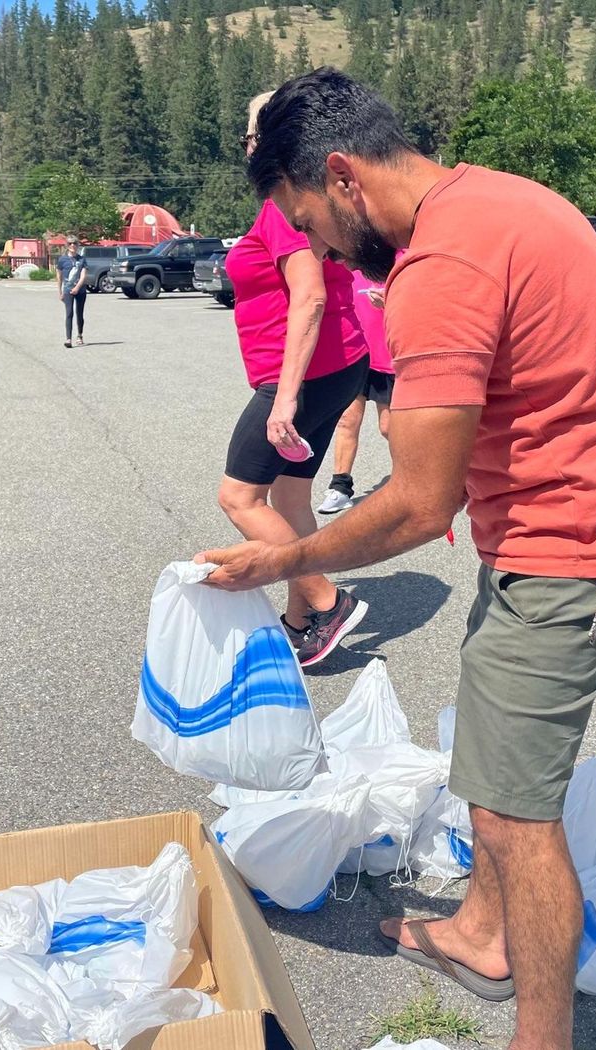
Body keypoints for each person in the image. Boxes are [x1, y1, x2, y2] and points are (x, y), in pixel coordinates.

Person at [197, 69, 596, 1050]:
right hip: (582, 523)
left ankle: (538, 1034)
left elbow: (417, 502)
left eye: (307, 223)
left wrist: (275, 563)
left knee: (510, 817)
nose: (318, 248)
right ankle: (481, 931)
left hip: (565, 547)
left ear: (341, 179)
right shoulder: (505, 198)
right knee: (495, 757)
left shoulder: (438, 271)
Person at [219, 90, 371, 668]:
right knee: (289, 496)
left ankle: (327, 603)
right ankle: (303, 620)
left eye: (252, 137)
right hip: (329, 368)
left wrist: (283, 400)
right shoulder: (284, 203)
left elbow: (307, 299)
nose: (248, 149)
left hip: (303, 376)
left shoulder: (280, 207)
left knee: (238, 495)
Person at [318, 266, 396, 514]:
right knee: (347, 421)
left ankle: (412, 478)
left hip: (388, 359)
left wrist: (390, 303)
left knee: (389, 428)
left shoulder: (398, 259)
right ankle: (340, 488)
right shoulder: (347, 265)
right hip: (355, 356)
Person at [55, 238, 87, 348]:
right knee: (69, 313)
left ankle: (79, 335)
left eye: (75, 243)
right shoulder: (62, 260)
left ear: (78, 245)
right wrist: (60, 292)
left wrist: (77, 287)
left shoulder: (82, 259)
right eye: (70, 243)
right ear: (67, 245)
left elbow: (83, 275)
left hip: (81, 290)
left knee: (79, 313)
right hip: (68, 289)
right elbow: (59, 277)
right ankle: (68, 339)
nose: (72, 245)